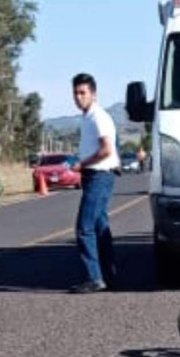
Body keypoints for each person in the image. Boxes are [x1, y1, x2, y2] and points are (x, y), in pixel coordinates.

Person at [68, 73, 120, 294]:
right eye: (76, 93)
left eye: (83, 92)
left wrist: (82, 163)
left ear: (93, 93)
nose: (79, 97)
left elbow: (106, 149)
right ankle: (109, 275)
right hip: (93, 175)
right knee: (100, 228)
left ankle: (94, 277)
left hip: (99, 174)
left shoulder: (99, 116)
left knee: (83, 228)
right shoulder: (88, 117)